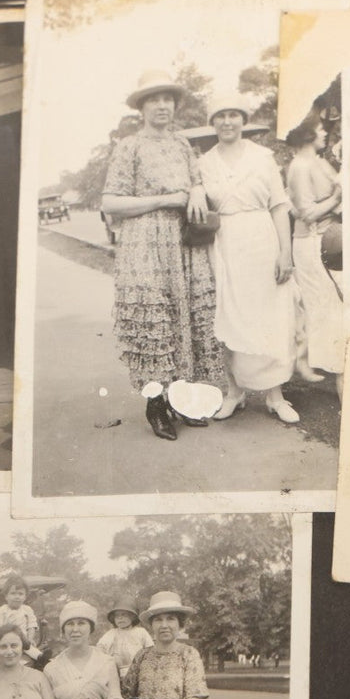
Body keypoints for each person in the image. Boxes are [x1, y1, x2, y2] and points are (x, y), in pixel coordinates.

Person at [101, 70, 227, 441]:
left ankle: (183, 400)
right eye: (153, 100)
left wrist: (199, 190)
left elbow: (194, 180)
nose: (161, 106)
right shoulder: (129, 147)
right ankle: (156, 408)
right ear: (141, 107)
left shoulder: (181, 145)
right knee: (153, 324)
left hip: (184, 244)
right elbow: (111, 203)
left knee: (185, 318)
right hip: (145, 244)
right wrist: (164, 200)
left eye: (167, 99)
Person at [198, 96, 300, 424]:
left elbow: (280, 205)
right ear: (212, 123)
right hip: (225, 244)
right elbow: (196, 195)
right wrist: (195, 190)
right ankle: (234, 392)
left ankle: (275, 396)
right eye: (220, 116)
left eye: (233, 115)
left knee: (270, 314)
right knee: (229, 315)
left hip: (262, 239)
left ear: (243, 120)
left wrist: (285, 252)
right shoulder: (204, 162)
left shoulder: (263, 158)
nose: (227, 122)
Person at [285, 116, 347, 393]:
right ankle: (315, 364)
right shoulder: (299, 166)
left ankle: (315, 361)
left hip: (329, 239)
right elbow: (306, 213)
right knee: (321, 305)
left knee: (331, 305)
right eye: (321, 129)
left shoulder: (320, 161)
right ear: (308, 134)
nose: (325, 133)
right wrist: (336, 199)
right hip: (310, 242)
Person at [0, 574, 41, 666]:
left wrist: (30, 638)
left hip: (23, 640)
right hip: (5, 638)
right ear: (6, 596)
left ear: (25, 596)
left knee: (31, 649)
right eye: (13, 593)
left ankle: (41, 658)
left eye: (20, 594)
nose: (17, 597)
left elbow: (31, 625)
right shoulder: (3, 610)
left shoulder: (27, 609)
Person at [96, 602, 153, 675]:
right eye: (117, 616)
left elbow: (150, 649)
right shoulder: (112, 633)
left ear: (132, 617)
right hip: (116, 671)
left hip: (138, 670)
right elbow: (101, 647)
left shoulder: (141, 632)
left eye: (124, 614)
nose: (120, 618)